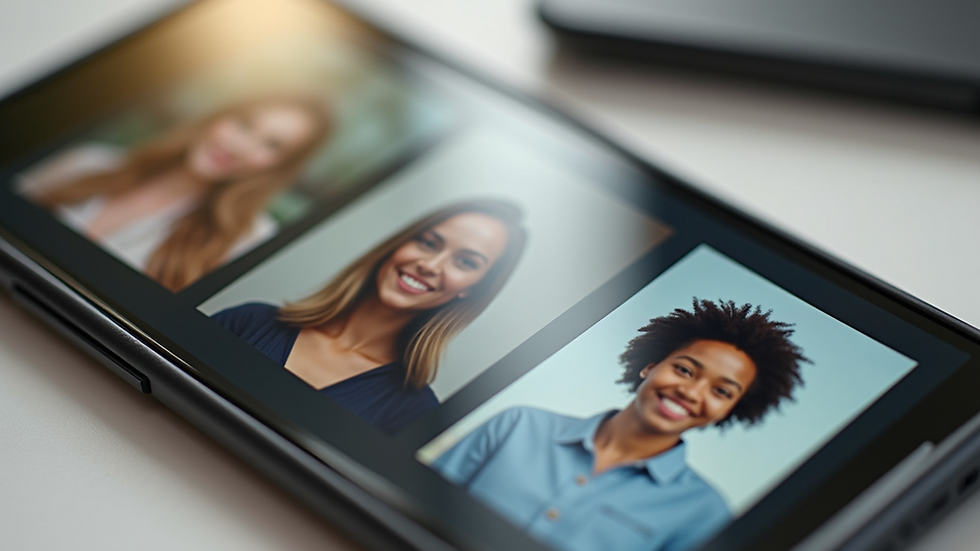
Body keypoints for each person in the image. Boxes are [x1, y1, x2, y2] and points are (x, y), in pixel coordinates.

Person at [431, 298, 809, 551]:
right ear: (650, 366)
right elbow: (419, 499)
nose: (692, 392)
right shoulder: (519, 425)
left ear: (729, 410)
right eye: (684, 369)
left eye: (722, 391)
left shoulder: (704, 512)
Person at [212, 199, 527, 433]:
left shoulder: (414, 413)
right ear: (398, 246)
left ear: (471, 290)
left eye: (465, 263)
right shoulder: (250, 321)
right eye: (429, 243)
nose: (430, 265)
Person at [20, 95, 330, 291]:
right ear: (219, 116)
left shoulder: (245, 239)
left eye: (272, 145)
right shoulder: (88, 161)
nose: (240, 146)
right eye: (244, 124)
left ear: (279, 167)